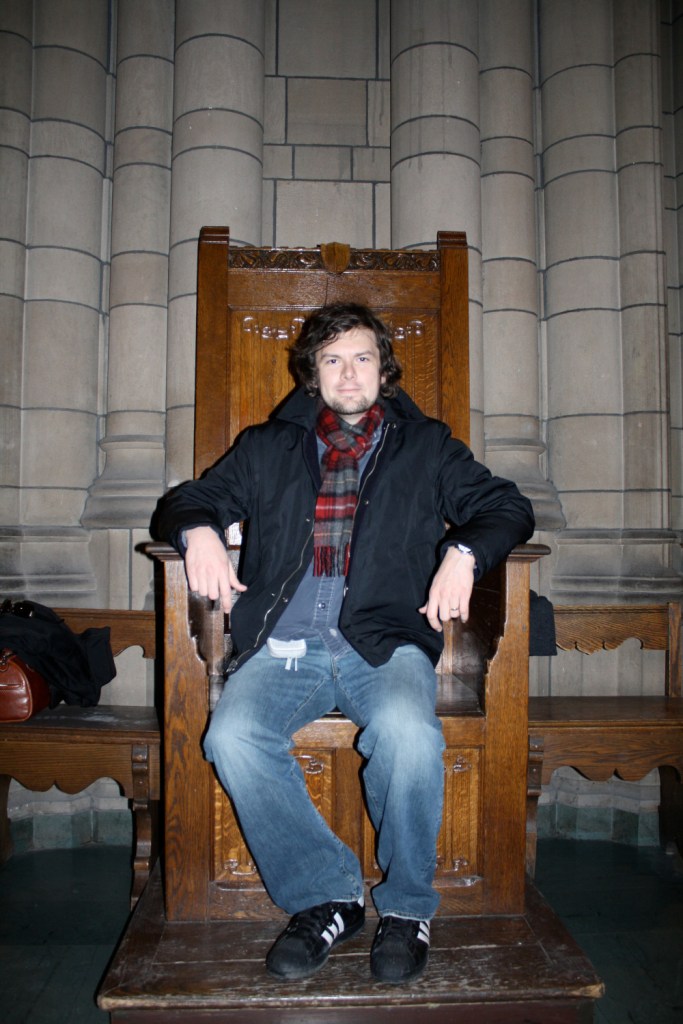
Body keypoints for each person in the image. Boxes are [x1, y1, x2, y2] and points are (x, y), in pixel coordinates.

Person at [153, 303, 535, 984]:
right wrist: (199, 530)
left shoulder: (426, 446)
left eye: (362, 358)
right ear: (312, 374)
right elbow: (186, 501)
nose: (348, 373)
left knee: (408, 734)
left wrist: (465, 552)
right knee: (232, 736)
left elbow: (507, 507)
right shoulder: (267, 446)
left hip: (381, 644)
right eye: (332, 359)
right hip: (283, 645)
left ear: (384, 370)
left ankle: (407, 909)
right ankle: (328, 896)